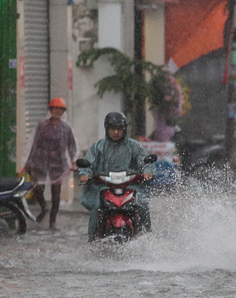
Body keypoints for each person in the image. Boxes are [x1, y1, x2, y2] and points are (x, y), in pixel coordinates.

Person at [78, 112, 154, 242]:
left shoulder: (134, 146)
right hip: (104, 186)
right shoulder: (98, 147)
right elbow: (88, 163)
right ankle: (92, 240)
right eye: (113, 128)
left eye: (119, 129)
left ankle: (149, 234)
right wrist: (85, 173)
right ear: (107, 129)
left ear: (124, 129)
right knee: (97, 206)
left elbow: (145, 161)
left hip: (130, 185)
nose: (116, 132)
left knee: (141, 204)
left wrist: (148, 171)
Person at [23, 98, 77, 231]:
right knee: (37, 189)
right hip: (40, 161)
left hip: (58, 164)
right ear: (50, 110)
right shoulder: (41, 125)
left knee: (56, 194)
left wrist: (74, 161)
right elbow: (34, 143)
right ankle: (44, 208)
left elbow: (71, 146)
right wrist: (28, 163)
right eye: (55, 108)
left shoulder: (66, 127)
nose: (57, 111)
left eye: (60, 109)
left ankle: (52, 221)